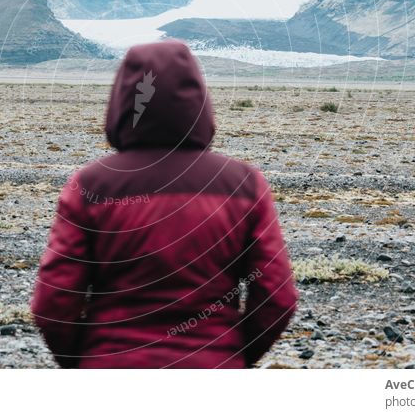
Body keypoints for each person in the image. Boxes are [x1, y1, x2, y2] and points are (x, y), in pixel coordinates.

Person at [31, 40, 298, 368]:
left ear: (122, 98)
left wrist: (82, 361)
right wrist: (233, 356)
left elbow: (54, 302)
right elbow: (277, 297)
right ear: (199, 99)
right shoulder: (243, 184)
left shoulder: (90, 185)